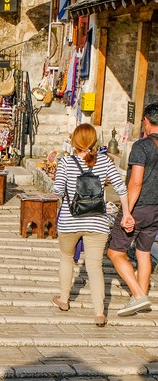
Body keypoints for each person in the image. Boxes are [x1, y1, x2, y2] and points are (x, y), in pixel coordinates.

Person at [52, 124, 130, 327]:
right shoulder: (104, 160)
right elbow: (121, 186)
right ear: (94, 141)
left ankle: (64, 300)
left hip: (70, 221)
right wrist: (127, 213)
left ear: (74, 142)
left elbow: (57, 191)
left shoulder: (66, 163)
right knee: (95, 266)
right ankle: (98, 313)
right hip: (98, 221)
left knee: (66, 259)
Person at [107, 102, 158, 316]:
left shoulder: (142, 146)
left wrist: (126, 211)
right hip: (156, 209)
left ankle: (138, 295)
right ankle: (140, 296)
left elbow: (135, 182)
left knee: (115, 251)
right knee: (143, 252)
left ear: (146, 121)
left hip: (139, 206)